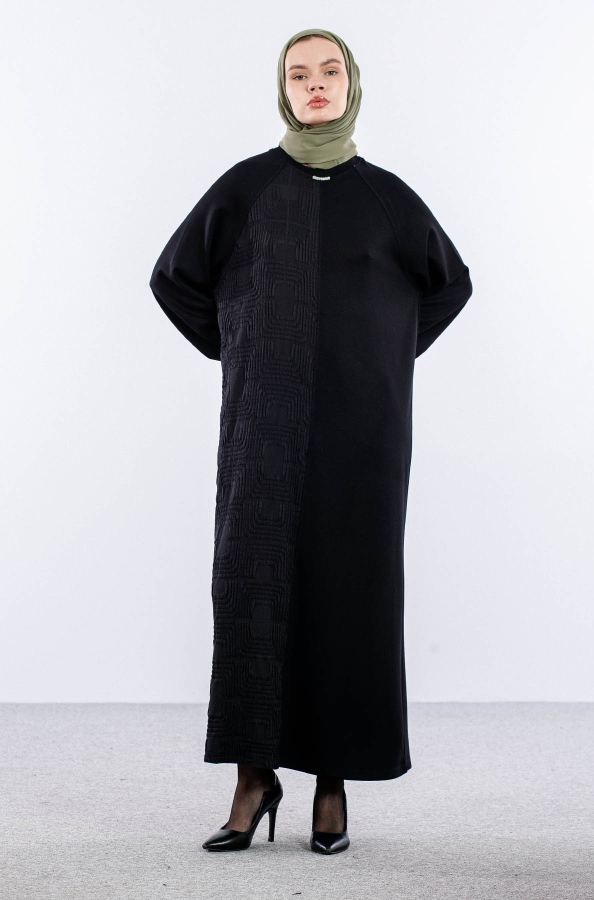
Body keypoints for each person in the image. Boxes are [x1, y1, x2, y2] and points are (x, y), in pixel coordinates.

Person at [149, 28, 473, 855]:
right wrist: (241, 346)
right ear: (283, 89)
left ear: (351, 84)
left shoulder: (389, 198)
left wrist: (386, 353)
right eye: (300, 74)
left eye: (330, 71)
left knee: (348, 594)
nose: (316, 84)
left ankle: (333, 784)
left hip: (364, 435)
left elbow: (451, 283)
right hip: (263, 426)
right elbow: (173, 278)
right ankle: (253, 780)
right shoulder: (246, 188)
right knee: (253, 587)